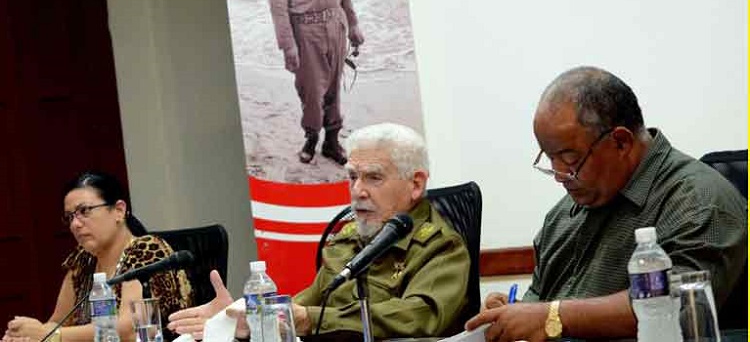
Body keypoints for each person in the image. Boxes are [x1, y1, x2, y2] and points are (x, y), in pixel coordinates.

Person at [466, 67, 747, 342]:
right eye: (550, 159)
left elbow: (678, 306)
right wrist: (513, 314)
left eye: (570, 159)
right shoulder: (563, 215)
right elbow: (541, 303)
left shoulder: (698, 200)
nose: (560, 175)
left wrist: (552, 316)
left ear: (621, 142)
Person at [168, 123, 470, 340]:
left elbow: (420, 316)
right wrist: (239, 316)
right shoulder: (349, 240)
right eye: (352, 177)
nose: (357, 191)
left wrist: (308, 319)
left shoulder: (441, 247)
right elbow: (302, 307)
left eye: (374, 177)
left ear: (416, 184)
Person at [2, 171, 193, 342]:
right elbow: (58, 322)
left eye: (84, 211)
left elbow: (128, 330)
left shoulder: (146, 251)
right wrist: (28, 335)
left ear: (119, 210)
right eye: (69, 217)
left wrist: (51, 335)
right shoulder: (83, 260)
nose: (75, 224)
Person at [267, 0, 365, 165]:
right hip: (306, 31)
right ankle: (311, 137)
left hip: (336, 26)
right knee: (311, 91)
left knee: (333, 87)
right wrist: (288, 45)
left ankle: (332, 142)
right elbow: (277, 3)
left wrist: (353, 23)